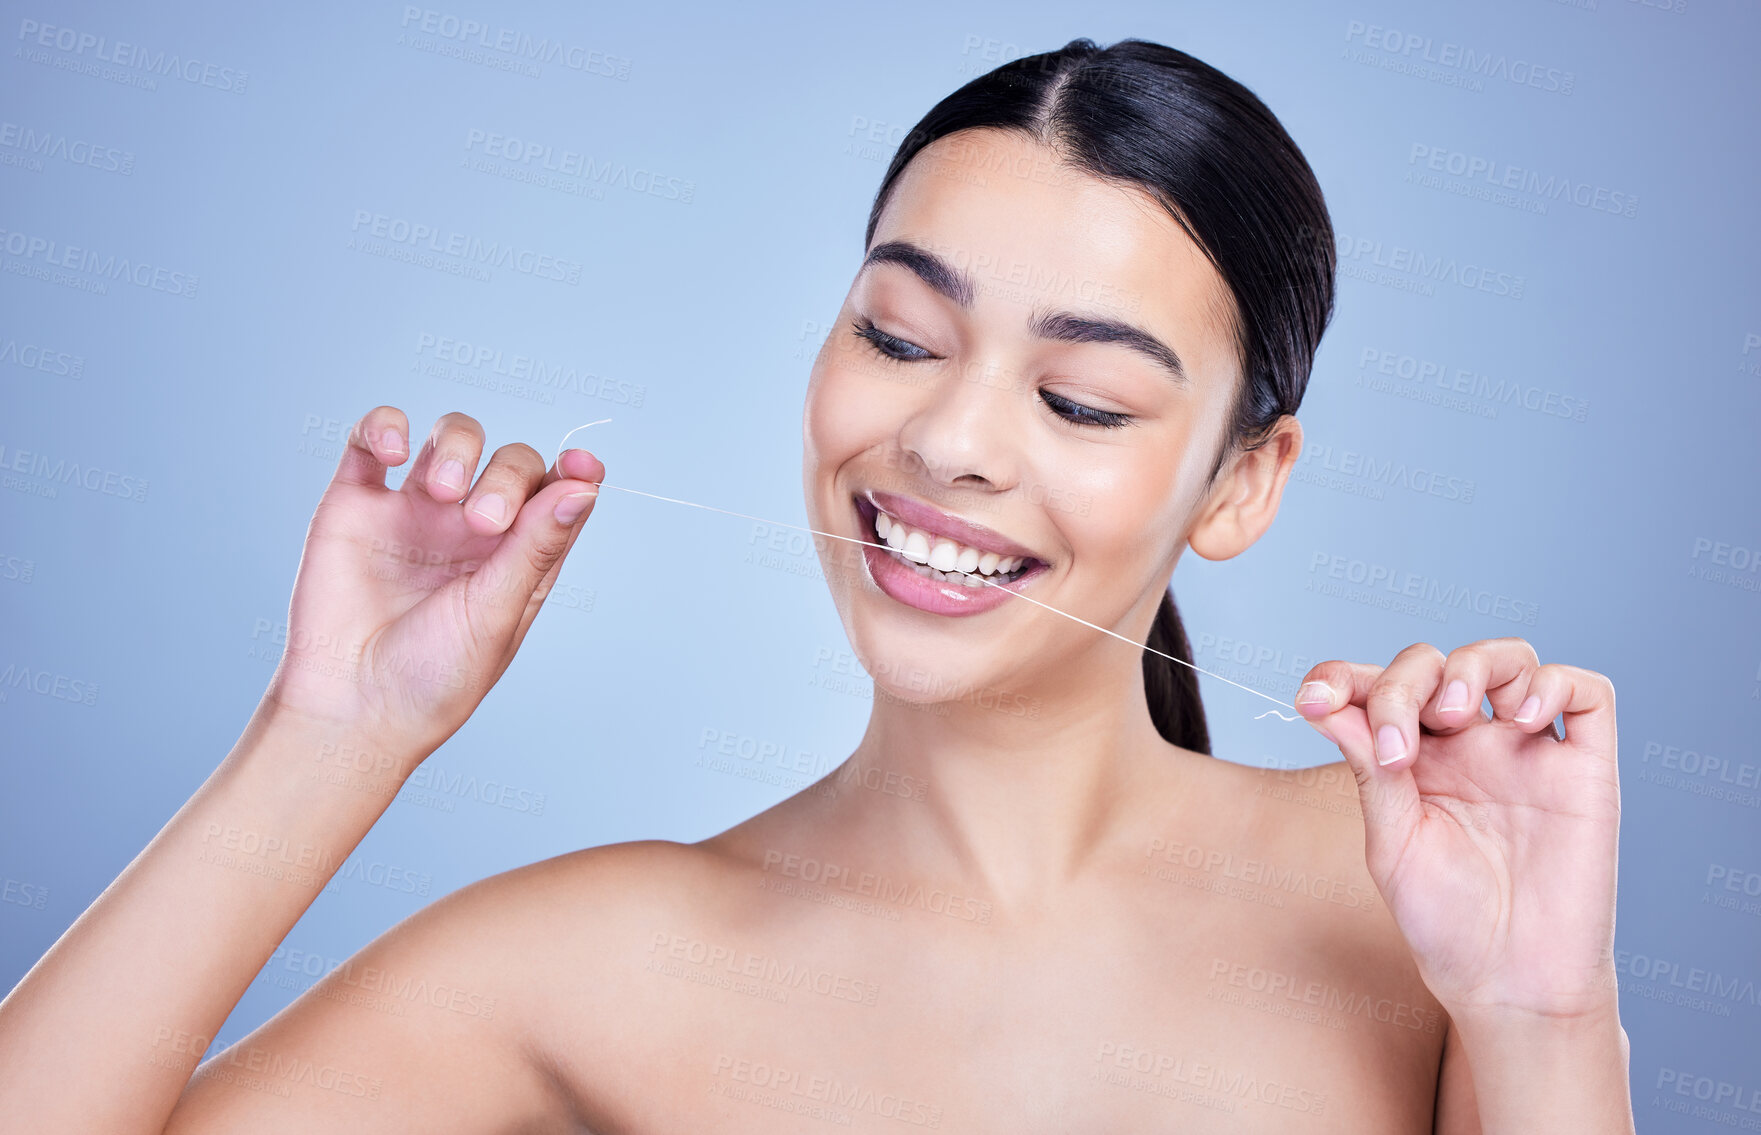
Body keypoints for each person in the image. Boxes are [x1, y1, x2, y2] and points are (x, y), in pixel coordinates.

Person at [0, 38, 1634, 1133]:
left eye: (1080, 400)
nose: (949, 438)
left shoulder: (1405, 906)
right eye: (898, 338)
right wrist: (328, 735)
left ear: (1242, 483)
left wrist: (1542, 1016)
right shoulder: (596, 962)